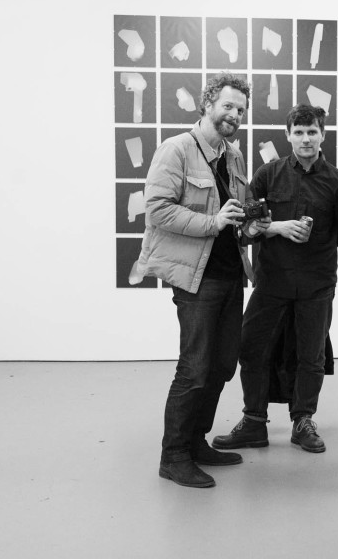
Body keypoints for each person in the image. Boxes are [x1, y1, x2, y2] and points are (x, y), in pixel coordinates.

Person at [133, 73, 253, 488]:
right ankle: (174, 455)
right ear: (207, 104)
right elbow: (157, 209)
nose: (234, 114)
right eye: (228, 105)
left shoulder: (233, 156)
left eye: (241, 109)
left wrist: (250, 225)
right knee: (195, 367)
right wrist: (213, 222)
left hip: (231, 274)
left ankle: (196, 442)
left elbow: (236, 213)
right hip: (196, 278)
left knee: (222, 365)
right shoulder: (177, 149)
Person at [213, 104, 338, 454]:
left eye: (312, 132)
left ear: (323, 134)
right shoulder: (267, 175)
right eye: (299, 132)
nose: (306, 139)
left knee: (311, 355)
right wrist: (277, 227)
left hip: (316, 283)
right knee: (251, 347)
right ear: (288, 135)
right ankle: (253, 422)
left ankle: (303, 420)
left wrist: (313, 239)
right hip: (271, 281)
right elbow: (246, 227)